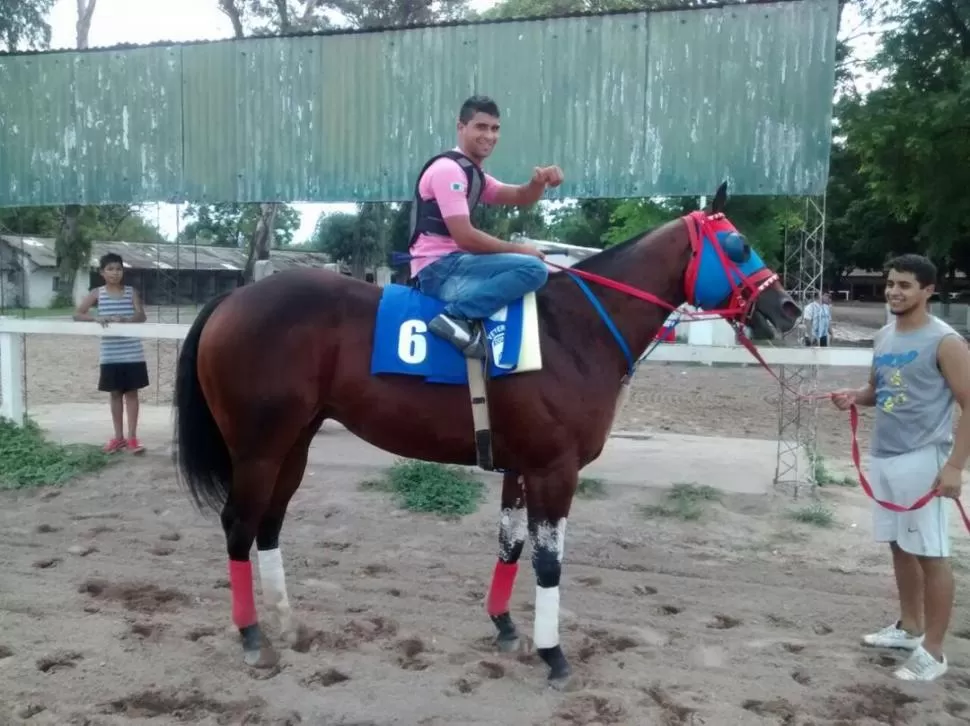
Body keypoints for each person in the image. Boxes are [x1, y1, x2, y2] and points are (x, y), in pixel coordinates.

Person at [831, 254, 970, 682]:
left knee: (931, 552)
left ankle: (934, 652)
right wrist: (855, 396)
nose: (894, 291)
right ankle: (910, 628)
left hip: (923, 458)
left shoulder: (945, 341)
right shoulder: (884, 336)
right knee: (899, 545)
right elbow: (879, 390)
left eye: (905, 285)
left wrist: (954, 466)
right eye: (891, 283)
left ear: (928, 291)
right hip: (885, 454)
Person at [408, 94, 564, 358]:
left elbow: (520, 196)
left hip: (455, 264)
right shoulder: (448, 171)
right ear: (461, 127)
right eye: (481, 127)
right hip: (441, 270)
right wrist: (520, 250)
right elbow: (465, 238)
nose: (489, 136)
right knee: (534, 269)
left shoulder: (472, 174)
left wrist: (539, 183)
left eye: (495, 129)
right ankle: (456, 317)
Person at [73, 252, 149, 454]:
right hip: (110, 353)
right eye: (110, 269)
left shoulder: (131, 292)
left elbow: (141, 316)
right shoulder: (97, 293)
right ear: (102, 272)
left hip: (132, 352)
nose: (115, 273)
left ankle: (132, 438)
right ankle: (118, 438)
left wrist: (127, 320)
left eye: (118, 269)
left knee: (132, 393)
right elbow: (78, 314)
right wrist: (96, 318)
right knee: (115, 394)